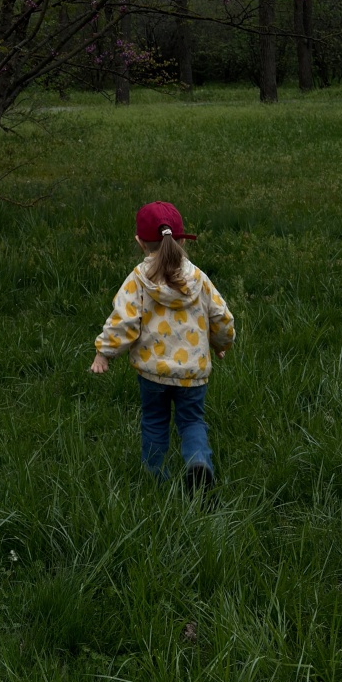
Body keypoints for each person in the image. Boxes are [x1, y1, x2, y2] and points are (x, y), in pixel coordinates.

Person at [91, 200, 234, 492]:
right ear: (181, 240)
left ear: (140, 243)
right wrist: (220, 342)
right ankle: (198, 464)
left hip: (152, 373)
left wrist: (104, 353)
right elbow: (221, 315)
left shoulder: (138, 281)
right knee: (192, 421)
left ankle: (155, 479)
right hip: (193, 374)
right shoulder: (198, 279)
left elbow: (123, 320)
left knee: (155, 421)